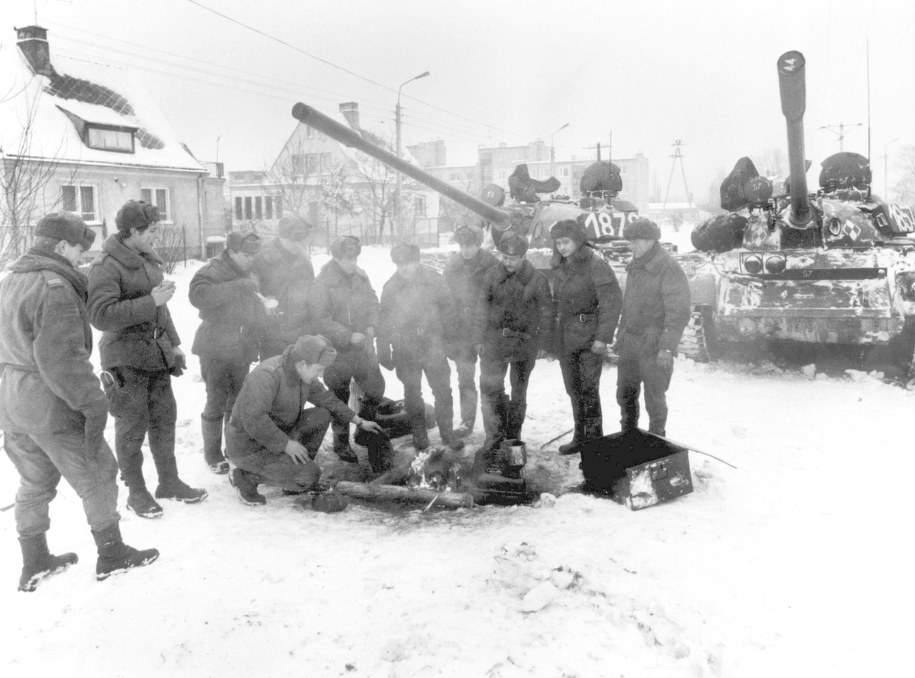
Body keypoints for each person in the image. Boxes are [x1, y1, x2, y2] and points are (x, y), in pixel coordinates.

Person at [1, 213, 158, 591]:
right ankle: (112, 554)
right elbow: (62, 360)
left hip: (12, 399)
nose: (81, 258)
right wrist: (92, 404)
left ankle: (35, 560)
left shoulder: (9, 281)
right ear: (58, 247)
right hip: (51, 400)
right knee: (99, 473)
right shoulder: (54, 287)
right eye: (77, 249)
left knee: (34, 481)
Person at [88, 200, 207, 519]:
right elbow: (100, 316)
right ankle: (136, 492)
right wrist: (149, 300)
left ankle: (168, 482)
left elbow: (161, 307)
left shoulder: (146, 259)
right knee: (131, 428)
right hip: (125, 359)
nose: (157, 235)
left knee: (164, 420)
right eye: (152, 230)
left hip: (156, 356)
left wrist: (175, 344)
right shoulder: (105, 267)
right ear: (132, 232)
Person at [225, 335, 383, 505]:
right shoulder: (266, 376)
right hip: (248, 447)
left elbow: (328, 399)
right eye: (319, 369)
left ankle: (293, 475)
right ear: (301, 364)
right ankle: (245, 477)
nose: (321, 375)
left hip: (276, 435)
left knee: (322, 414)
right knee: (311, 475)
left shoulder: (301, 374)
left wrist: (359, 421)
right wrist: (286, 444)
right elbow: (254, 420)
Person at [189, 231, 266, 475]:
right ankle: (212, 453)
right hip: (215, 345)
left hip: (241, 345)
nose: (250, 259)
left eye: (253, 254)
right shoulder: (212, 269)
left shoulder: (249, 271)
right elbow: (197, 296)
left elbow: (252, 302)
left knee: (236, 400)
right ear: (231, 251)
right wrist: (236, 286)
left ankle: (232, 448)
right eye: (245, 254)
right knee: (216, 399)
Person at [472, 232, 552, 467]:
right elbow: (481, 309)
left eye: (514, 258)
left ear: (524, 257)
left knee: (519, 392)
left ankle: (513, 437)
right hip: (495, 341)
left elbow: (546, 314)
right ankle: (493, 437)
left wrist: (544, 344)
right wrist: (478, 338)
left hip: (524, 343)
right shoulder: (491, 276)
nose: (508, 262)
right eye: (505, 257)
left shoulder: (537, 280)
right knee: (489, 388)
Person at [377, 243, 464, 452]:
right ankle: (420, 436)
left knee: (443, 391)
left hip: (433, 346)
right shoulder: (391, 287)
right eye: (399, 264)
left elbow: (449, 311)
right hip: (404, 349)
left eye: (408, 263)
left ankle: (447, 433)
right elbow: (384, 320)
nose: (404, 268)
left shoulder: (434, 280)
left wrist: (450, 342)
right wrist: (383, 349)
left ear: (417, 261)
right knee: (412, 394)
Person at [308, 236, 387, 463]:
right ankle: (341, 442)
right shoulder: (322, 283)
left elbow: (373, 303)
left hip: (363, 348)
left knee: (375, 390)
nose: (352, 262)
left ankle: (364, 430)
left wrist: (372, 324)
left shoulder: (361, 276)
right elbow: (320, 319)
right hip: (338, 351)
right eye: (346, 259)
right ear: (335, 257)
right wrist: (347, 336)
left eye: (354, 258)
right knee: (339, 397)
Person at [550, 218, 622, 454]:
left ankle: (594, 444)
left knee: (589, 390)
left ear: (578, 241)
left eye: (566, 242)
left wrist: (602, 337)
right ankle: (580, 436)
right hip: (566, 338)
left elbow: (611, 302)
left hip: (589, 338)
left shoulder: (595, 264)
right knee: (574, 389)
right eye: (558, 242)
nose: (562, 247)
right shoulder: (561, 265)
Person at [616, 217, 691, 437]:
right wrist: (621, 336)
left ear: (651, 241)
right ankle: (629, 439)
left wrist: (667, 347)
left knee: (654, 399)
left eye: (637, 240)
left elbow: (678, 311)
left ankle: (657, 441)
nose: (632, 246)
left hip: (654, 346)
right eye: (630, 241)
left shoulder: (668, 267)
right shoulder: (635, 266)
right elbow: (628, 306)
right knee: (625, 395)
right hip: (630, 343)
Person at [442, 224, 499, 439]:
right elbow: (445, 302)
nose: (466, 250)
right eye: (462, 245)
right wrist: (449, 334)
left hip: (487, 329)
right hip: (461, 332)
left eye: (471, 245)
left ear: (479, 244)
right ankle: (467, 420)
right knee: (465, 378)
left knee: (490, 379)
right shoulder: (452, 266)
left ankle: (493, 424)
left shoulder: (492, 264)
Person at [253, 216, 315, 359]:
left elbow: (312, 291)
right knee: (273, 376)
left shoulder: (304, 259)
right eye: (294, 238)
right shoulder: (262, 256)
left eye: (302, 238)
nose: (298, 244)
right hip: (271, 333)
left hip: (299, 331)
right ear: (282, 235)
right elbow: (251, 289)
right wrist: (262, 301)